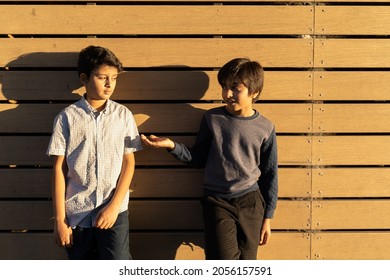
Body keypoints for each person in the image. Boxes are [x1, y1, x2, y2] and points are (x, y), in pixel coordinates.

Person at [141, 58, 278, 260]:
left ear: (254, 92)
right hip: (218, 201)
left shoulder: (266, 127)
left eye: (235, 88)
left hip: (251, 202)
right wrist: (172, 146)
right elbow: (198, 158)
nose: (228, 94)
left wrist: (268, 216)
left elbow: (269, 173)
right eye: (224, 87)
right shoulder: (213, 119)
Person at [47, 45, 142, 259]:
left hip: (114, 212)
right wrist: (60, 221)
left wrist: (114, 206)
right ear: (84, 78)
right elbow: (58, 169)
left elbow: (129, 163)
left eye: (114, 78)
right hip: (77, 214)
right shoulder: (67, 118)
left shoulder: (123, 115)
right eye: (102, 77)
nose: (110, 84)